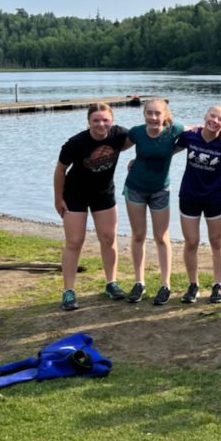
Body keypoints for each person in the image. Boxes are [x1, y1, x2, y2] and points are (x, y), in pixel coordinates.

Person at [53, 103, 131, 311]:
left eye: (105, 120)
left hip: (103, 194)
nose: (101, 124)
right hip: (75, 194)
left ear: (111, 120)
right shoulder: (75, 143)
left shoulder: (119, 135)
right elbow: (60, 170)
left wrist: (137, 160)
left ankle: (111, 283)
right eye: (96, 120)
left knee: (108, 238)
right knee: (74, 241)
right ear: (89, 121)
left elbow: (146, 138)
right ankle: (68, 291)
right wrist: (58, 198)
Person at [175, 105, 221, 305]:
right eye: (213, 116)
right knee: (192, 242)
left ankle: (218, 284)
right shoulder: (190, 136)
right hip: (189, 196)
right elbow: (167, 150)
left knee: (216, 241)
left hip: (214, 198)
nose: (215, 120)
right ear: (205, 116)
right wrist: (140, 160)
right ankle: (193, 285)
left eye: (220, 119)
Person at [122, 98, 183, 306]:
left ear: (165, 115)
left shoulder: (174, 130)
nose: (154, 117)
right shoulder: (137, 132)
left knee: (161, 237)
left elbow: (203, 132)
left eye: (158, 113)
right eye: (150, 113)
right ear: (144, 114)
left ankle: (165, 284)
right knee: (138, 235)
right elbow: (116, 147)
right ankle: (139, 282)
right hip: (135, 189)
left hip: (160, 191)